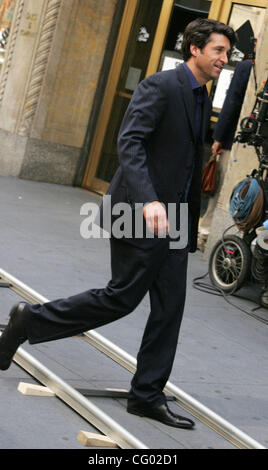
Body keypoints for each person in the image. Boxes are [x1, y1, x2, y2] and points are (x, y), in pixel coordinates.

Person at [0, 19, 236, 429]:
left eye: (227, 54)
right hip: (139, 212)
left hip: (175, 219)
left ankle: (146, 394)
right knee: (121, 297)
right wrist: (149, 203)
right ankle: (29, 320)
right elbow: (130, 142)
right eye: (218, 51)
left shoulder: (201, 96)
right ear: (195, 49)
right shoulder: (160, 86)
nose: (224, 60)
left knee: (170, 308)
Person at [198, 57, 254, 248]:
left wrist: (218, 137)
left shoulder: (247, 66)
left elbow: (231, 102)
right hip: (250, 142)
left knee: (220, 187)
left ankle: (205, 233)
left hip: (232, 140)